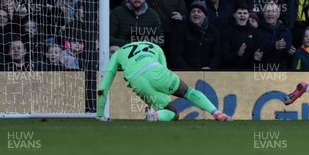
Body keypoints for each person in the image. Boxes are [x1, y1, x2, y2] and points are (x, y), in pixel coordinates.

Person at [96, 40, 232, 121]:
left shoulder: (118, 53)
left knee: (174, 114)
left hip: (136, 80)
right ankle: (217, 113)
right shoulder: (155, 47)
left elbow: (103, 88)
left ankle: (155, 116)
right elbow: (164, 68)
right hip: (156, 71)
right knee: (188, 92)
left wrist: (100, 114)